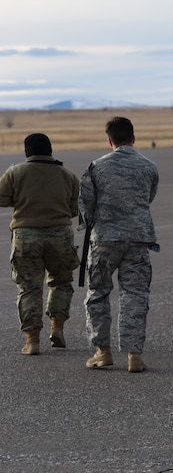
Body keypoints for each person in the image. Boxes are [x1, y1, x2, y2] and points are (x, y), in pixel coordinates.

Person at [80, 117, 159, 373]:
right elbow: (148, 198)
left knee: (98, 293)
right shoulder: (149, 167)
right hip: (137, 239)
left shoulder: (96, 167)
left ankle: (102, 352)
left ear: (109, 140)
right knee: (135, 295)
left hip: (104, 239)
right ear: (133, 138)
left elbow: (86, 204)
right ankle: (134, 356)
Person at [0, 133, 80, 355]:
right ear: (50, 150)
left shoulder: (15, 172)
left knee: (29, 288)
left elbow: (2, 199)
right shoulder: (68, 175)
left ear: (27, 152)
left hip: (26, 237)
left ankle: (32, 340)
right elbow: (74, 209)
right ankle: (57, 328)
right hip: (60, 235)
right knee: (62, 282)